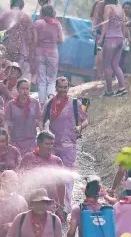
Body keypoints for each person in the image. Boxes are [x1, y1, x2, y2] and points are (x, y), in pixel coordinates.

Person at [41, 76, 88, 218]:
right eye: (60, 87)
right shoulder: (50, 103)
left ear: (68, 88)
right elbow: (41, 120)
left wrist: (80, 127)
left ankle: (66, 207)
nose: (62, 89)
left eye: (65, 87)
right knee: (53, 176)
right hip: (53, 146)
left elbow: (86, 120)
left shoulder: (75, 103)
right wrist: (44, 137)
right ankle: (54, 205)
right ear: (56, 87)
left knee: (67, 176)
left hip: (69, 146)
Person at [19, 131, 65, 220]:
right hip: (31, 203)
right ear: (39, 144)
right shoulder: (28, 158)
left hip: (50, 204)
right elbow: (20, 181)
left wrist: (61, 206)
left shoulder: (57, 161)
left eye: (52, 144)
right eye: (47, 144)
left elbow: (61, 184)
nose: (50, 147)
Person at [98, 0, 128, 97]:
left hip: (110, 39)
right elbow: (124, 25)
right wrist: (124, 38)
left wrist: (101, 38)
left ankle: (109, 91)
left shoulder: (107, 7)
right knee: (116, 64)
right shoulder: (120, 8)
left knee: (107, 65)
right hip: (120, 39)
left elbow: (105, 24)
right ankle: (122, 87)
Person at [0, 0, 34, 81]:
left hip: (4, 49)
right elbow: (30, 38)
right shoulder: (26, 17)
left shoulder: (4, 15)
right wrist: (30, 54)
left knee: (5, 73)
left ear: (11, 5)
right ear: (22, 6)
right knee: (18, 73)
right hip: (21, 51)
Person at [33, 4, 64, 106]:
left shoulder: (37, 23)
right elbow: (61, 40)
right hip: (52, 54)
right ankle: (51, 99)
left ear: (42, 12)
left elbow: (35, 41)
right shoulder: (57, 24)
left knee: (41, 79)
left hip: (40, 54)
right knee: (51, 79)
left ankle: (41, 104)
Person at [5, 78, 42, 156]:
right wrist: (7, 137)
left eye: (27, 89)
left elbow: (39, 119)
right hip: (16, 141)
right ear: (18, 89)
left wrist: (42, 134)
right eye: (22, 89)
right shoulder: (11, 104)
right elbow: (6, 122)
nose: (25, 91)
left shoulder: (35, 102)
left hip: (31, 141)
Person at [91, 0, 110, 80]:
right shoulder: (97, 3)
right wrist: (93, 27)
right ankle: (100, 76)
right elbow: (93, 17)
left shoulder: (113, 3)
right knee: (99, 57)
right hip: (99, 34)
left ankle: (105, 77)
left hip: (110, 35)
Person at [120, 2, 131, 74]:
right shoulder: (119, 17)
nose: (126, 9)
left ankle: (123, 72)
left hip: (127, 40)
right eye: (125, 8)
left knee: (125, 57)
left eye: (128, 8)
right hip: (119, 39)